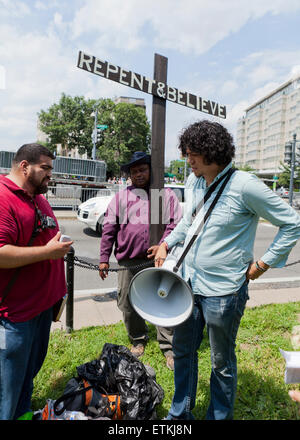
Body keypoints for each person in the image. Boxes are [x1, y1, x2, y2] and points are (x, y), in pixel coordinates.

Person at [155, 120, 300, 420]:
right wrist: (167, 244)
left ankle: (218, 416)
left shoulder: (244, 185)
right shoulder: (195, 182)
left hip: (224, 292)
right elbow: (188, 221)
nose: (187, 160)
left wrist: (263, 264)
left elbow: (292, 223)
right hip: (188, 284)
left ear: (211, 152)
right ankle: (180, 414)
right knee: (183, 352)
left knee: (221, 361)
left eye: (192, 154)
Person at [0, 143, 73, 420]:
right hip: (15, 315)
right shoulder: (4, 198)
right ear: (24, 166)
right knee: (7, 386)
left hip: (42, 309)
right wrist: (48, 252)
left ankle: (22, 414)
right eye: (45, 168)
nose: (50, 175)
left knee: (27, 377)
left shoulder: (38, 196)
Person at [99, 151, 182, 369]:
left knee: (163, 300)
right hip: (129, 261)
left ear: (151, 171)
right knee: (128, 302)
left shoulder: (165, 195)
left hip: (159, 260)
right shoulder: (120, 198)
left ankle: (168, 347)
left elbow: (175, 225)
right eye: (134, 171)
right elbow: (109, 228)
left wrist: (163, 244)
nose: (138, 174)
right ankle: (138, 338)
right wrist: (104, 258)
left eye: (142, 169)